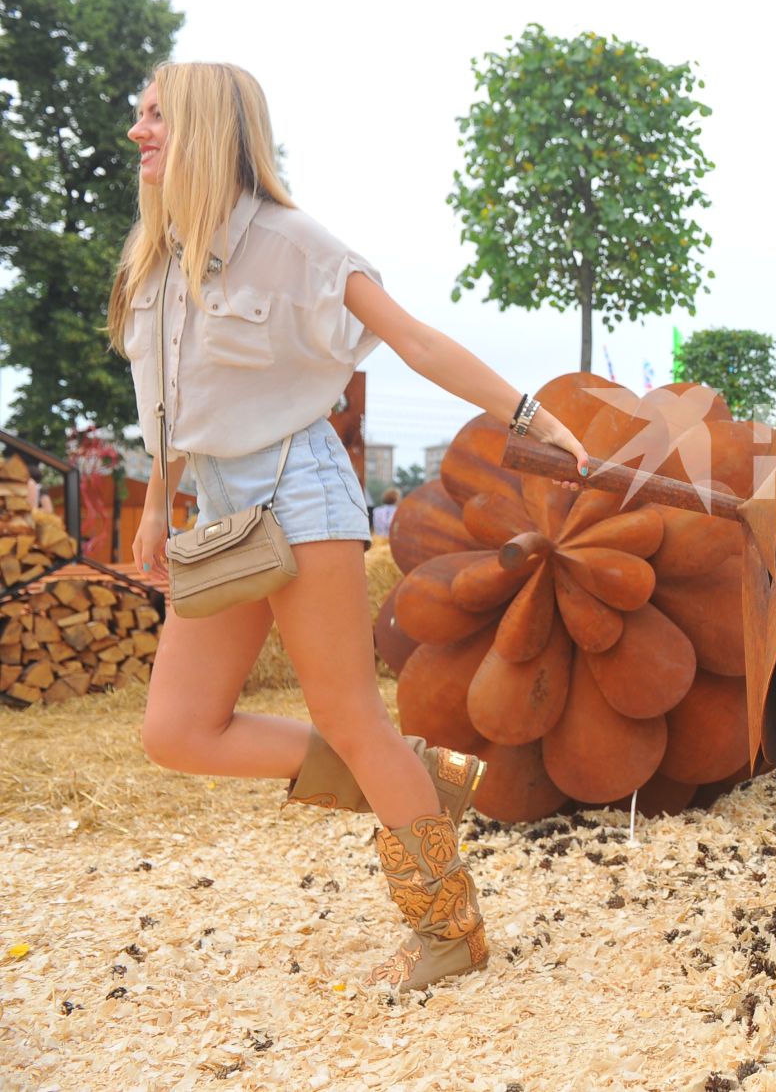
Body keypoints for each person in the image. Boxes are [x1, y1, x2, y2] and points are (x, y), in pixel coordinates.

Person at [109, 61, 591, 994]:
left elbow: (415, 341)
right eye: (140, 117)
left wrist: (531, 415)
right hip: (217, 508)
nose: (140, 133)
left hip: (301, 493)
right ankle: (407, 773)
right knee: (176, 730)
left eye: (157, 115)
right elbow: (167, 403)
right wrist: (151, 505)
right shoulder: (154, 259)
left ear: (210, 126)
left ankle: (447, 930)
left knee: (347, 711)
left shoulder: (294, 245)